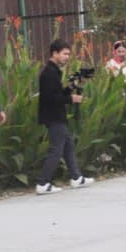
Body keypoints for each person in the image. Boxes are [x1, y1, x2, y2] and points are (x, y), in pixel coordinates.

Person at [34, 39, 94, 194]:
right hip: (53, 117)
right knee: (56, 150)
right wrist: (71, 99)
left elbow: (57, 93)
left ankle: (76, 178)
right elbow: (50, 98)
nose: (67, 57)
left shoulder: (54, 71)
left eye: (68, 54)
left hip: (57, 116)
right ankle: (43, 183)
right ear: (55, 53)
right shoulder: (49, 73)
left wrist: (72, 86)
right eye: (65, 54)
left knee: (68, 146)